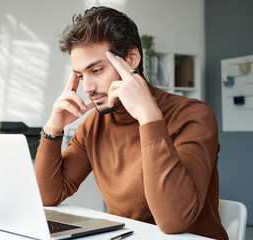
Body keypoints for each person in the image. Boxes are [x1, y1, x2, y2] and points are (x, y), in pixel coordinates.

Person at [35, 6, 228, 240]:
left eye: (96, 70)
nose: (87, 88)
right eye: (80, 76)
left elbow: (174, 220)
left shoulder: (193, 116)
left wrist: (148, 117)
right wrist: (53, 129)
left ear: (131, 58)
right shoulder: (94, 124)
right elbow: (48, 196)